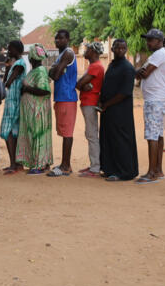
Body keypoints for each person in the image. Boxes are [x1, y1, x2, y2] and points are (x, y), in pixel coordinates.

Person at [98, 39, 139, 181]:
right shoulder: (112, 65)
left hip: (120, 111)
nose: (120, 50)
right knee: (108, 139)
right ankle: (110, 169)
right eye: (117, 48)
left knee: (121, 141)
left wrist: (107, 104)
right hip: (109, 111)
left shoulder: (127, 68)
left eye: (123, 48)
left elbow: (124, 92)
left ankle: (123, 172)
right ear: (112, 49)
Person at [135, 28, 165, 184]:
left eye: (151, 40)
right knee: (157, 134)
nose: (148, 42)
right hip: (157, 98)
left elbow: (145, 73)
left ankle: (151, 172)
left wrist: (137, 71)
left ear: (159, 41)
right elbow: (141, 72)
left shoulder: (160, 54)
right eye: (147, 39)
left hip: (155, 99)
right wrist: (139, 71)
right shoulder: (157, 54)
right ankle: (158, 169)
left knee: (152, 135)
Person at [17, 44, 53, 174]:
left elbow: (45, 91)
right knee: (33, 136)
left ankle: (40, 165)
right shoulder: (34, 71)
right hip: (32, 111)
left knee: (38, 136)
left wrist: (27, 89)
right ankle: (41, 163)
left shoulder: (41, 71)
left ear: (32, 58)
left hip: (39, 111)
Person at [46, 29, 77, 177]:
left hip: (67, 97)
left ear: (68, 39)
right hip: (61, 97)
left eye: (61, 38)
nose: (58, 41)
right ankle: (65, 164)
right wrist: (53, 70)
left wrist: (53, 70)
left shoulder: (68, 53)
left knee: (67, 133)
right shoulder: (60, 56)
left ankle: (66, 166)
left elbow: (55, 75)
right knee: (64, 131)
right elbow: (51, 73)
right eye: (56, 38)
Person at [75, 41, 104, 178]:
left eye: (87, 50)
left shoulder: (95, 67)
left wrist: (82, 85)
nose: (85, 52)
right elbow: (81, 85)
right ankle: (94, 164)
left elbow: (79, 83)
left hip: (90, 103)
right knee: (91, 134)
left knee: (92, 135)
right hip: (89, 102)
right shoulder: (94, 66)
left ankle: (95, 167)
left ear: (93, 52)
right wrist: (82, 85)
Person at [0, 40, 28, 175]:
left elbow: (8, 82)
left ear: (17, 50)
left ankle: (14, 164)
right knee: (13, 132)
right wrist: (6, 68)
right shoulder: (15, 64)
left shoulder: (20, 64)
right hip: (12, 100)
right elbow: (6, 81)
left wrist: (8, 69)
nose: (8, 52)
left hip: (14, 101)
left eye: (10, 49)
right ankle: (16, 164)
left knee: (9, 132)